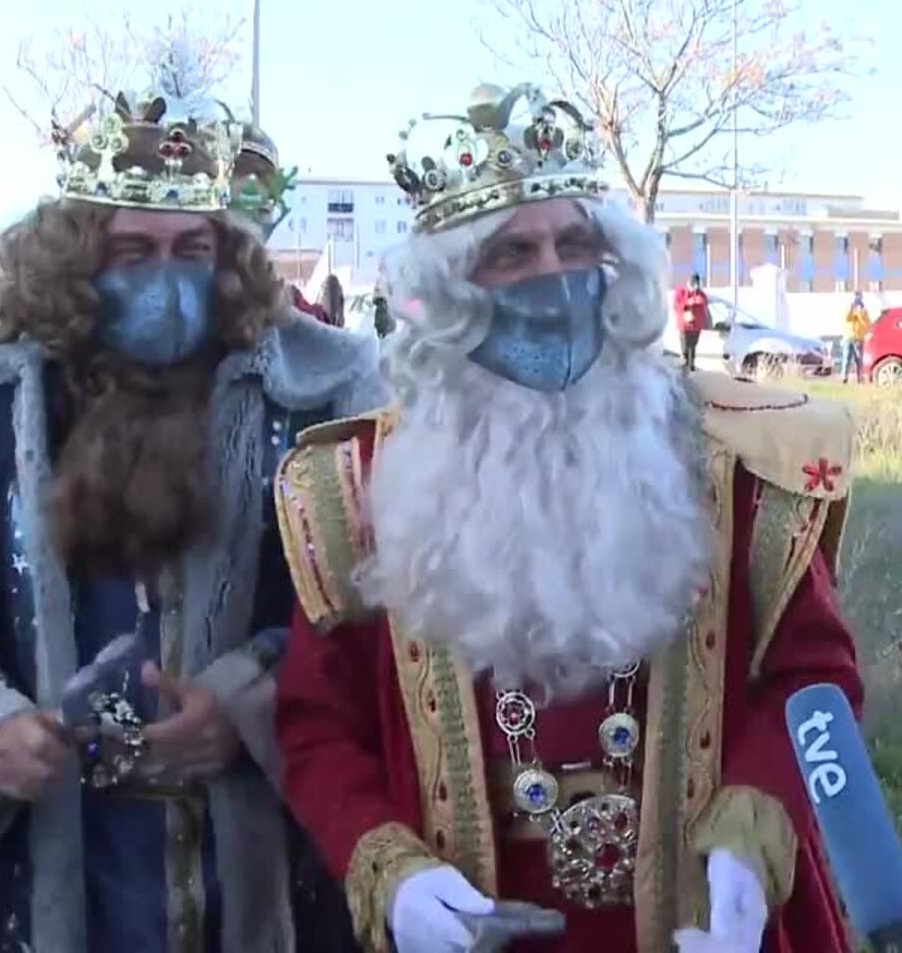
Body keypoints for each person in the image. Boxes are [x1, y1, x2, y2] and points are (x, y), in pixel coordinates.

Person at [273, 81, 863, 953]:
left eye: (574, 243)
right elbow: (315, 723)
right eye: (512, 254)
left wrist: (755, 835)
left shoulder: (737, 460)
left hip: (703, 925)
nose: (553, 277)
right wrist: (389, 873)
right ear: (451, 292)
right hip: (472, 917)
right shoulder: (356, 485)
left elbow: (815, 676)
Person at [0, 91, 385, 952]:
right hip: (55, 856)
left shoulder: (315, 397)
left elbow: (366, 623)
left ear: (229, 259)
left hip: (258, 860)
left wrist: (251, 706)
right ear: (79, 260)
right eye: (133, 249)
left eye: (191, 250)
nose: (164, 275)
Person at [673, 272, 711, 371]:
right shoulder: (681, 292)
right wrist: (688, 302)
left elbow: (704, 303)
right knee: (685, 347)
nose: (694, 287)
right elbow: (677, 306)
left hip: (696, 325)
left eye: (696, 284)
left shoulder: (701, 294)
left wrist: (699, 299)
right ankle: (685, 364)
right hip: (684, 326)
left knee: (692, 347)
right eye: (692, 284)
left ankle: (691, 366)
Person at [841, 293, 872, 382]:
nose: (857, 301)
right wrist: (851, 308)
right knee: (846, 359)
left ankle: (859, 378)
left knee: (858, 360)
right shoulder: (848, 309)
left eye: (859, 298)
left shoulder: (864, 312)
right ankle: (844, 377)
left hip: (858, 339)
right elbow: (847, 318)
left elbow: (867, 324)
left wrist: (860, 312)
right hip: (848, 338)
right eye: (855, 298)